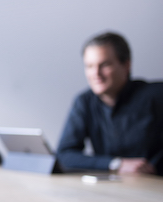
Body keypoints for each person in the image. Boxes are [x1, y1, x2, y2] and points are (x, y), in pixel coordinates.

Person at [56, 32, 163, 175]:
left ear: (126, 65)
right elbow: (64, 155)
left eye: (104, 65)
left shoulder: (156, 95)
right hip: (111, 189)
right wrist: (116, 164)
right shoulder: (84, 102)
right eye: (89, 66)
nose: (96, 74)